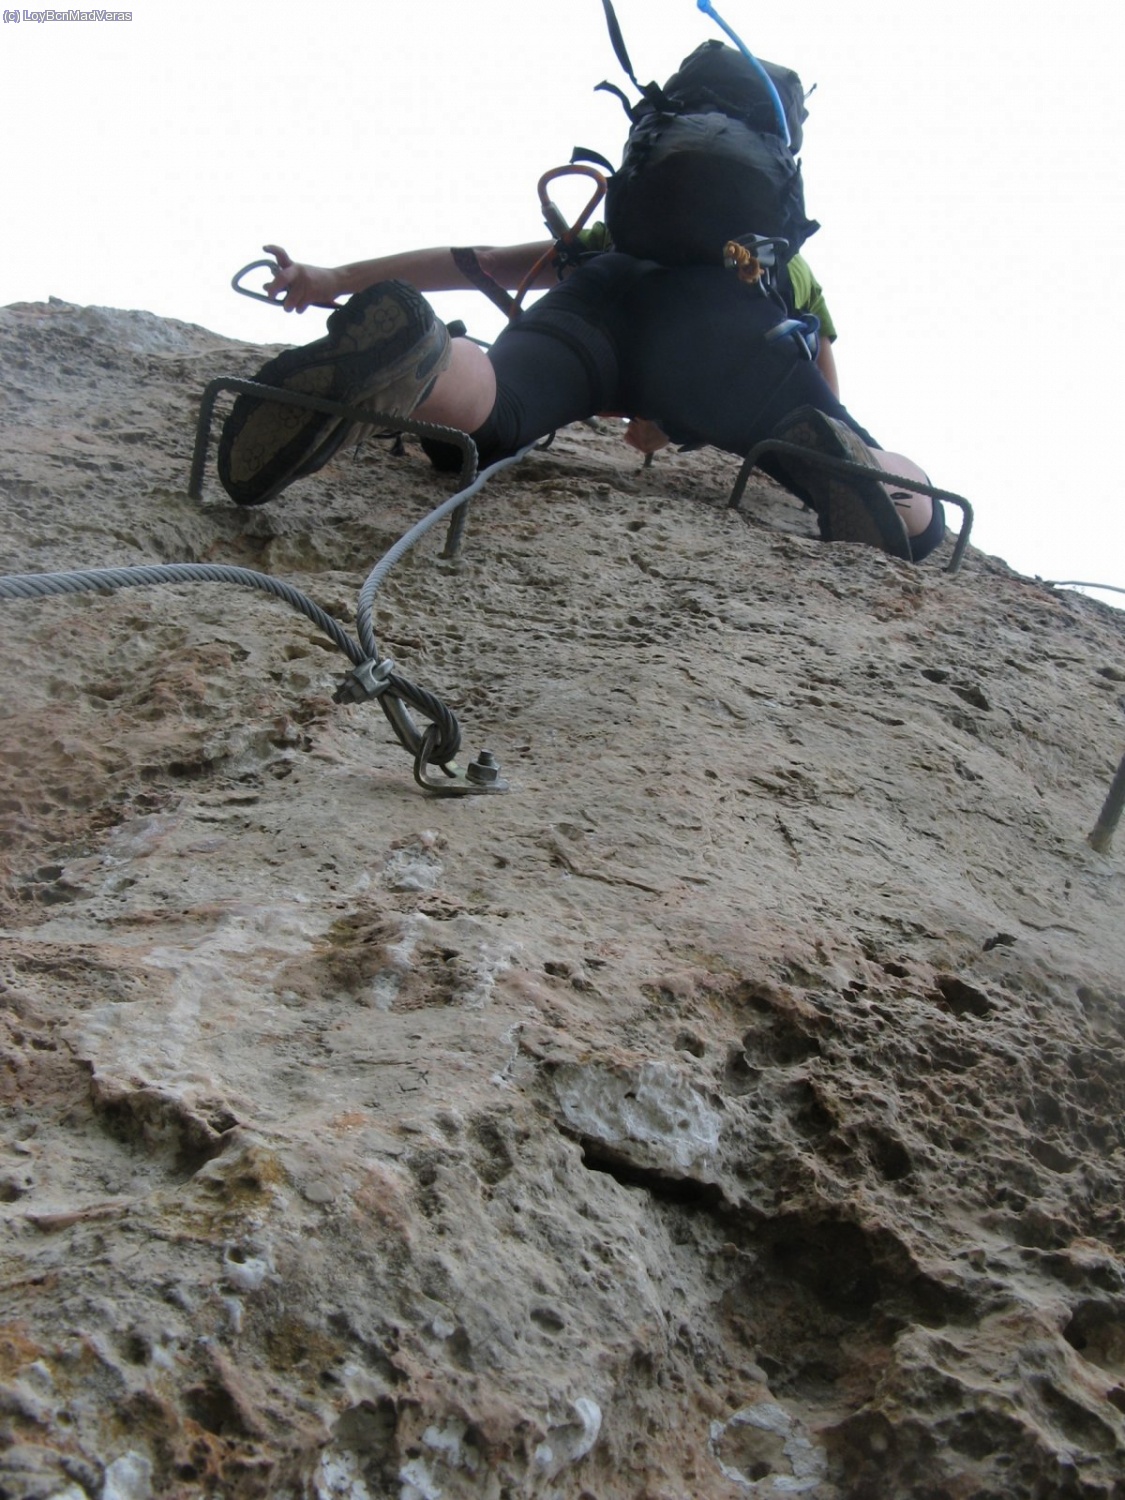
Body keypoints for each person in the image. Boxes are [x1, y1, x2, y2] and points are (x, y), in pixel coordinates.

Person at [218, 238, 945, 563]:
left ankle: (429, 361)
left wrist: (333, 277)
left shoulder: (618, 232)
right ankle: (879, 486)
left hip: (597, 302)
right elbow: (816, 369)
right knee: (850, 459)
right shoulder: (782, 260)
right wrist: (813, 443)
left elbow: (475, 261)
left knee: (499, 408)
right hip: (730, 332)